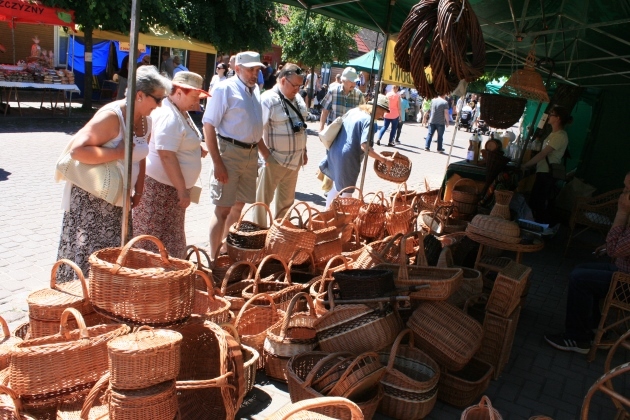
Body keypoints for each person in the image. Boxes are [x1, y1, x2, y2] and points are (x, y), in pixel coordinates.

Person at [55, 66, 171, 280]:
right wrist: (119, 152)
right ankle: (80, 299)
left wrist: (139, 189)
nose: (160, 105)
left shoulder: (147, 120)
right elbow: (78, 151)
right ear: (140, 95)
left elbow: (141, 154)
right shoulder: (112, 116)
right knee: (90, 253)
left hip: (119, 197)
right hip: (93, 198)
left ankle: (105, 299)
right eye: (157, 99)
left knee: (113, 255)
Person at [545, 174, 630, 354]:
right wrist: (610, 247)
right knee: (582, 270)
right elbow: (618, 247)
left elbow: (615, 250)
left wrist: (621, 213)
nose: (623, 194)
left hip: (626, 284)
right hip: (623, 271)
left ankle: (577, 338)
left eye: (628, 190)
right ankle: (590, 328)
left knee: (581, 279)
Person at [133, 72, 209, 259]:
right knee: (154, 244)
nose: (196, 102)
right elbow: (166, 155)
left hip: (167, 191)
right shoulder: (170, 114)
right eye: (194, 97)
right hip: (161, 191)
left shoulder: (179, 110)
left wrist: (194, 147)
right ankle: (154, 284)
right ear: (179, 93)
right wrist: (182, 190)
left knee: (166, 242)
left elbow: (178, 140)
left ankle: (164, 283)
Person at [202, 51, 265, 261]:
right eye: (250, 69)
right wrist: (217, 162)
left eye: (257, 69)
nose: (254, 73)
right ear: (237, 68)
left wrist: (264, 155)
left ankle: (225, 249)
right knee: (222, 209)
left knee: (238, 206)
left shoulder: (254, 89)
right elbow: (208, 125)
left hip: (250, 154)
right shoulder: (224, 89)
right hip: (229, 153)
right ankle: (213, 259)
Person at [253, 63, 308, 226]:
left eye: (300, 85)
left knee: (286, 204)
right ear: (283, 80)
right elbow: (255, 131)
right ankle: (259, 234)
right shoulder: (267, 99)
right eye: (295, 85)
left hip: (294, 160)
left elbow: (301, 126)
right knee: (262, 203)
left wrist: (303, 151)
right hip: (274, 160)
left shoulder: (297, 99)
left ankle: (279, 235)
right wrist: (266, 156)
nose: (298, 89)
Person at [319, 94, 394, 209]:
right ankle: (343, 220)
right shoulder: (369, 121)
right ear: (376, 108)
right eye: (383, 112)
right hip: (347, 158)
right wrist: (384, 160)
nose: (382, 116)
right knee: (347, 191)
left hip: (334, 151)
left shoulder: (354, 111)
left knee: (337, 187)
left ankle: (325, 214)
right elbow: (365, 146)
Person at [521, 105, 572, 224]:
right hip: (543, 171)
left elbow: (543, 154)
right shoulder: (553, 134)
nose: (549, 116)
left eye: (552, 114)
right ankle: (539, 225)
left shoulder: (560, 136)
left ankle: (542, 227)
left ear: (558, 118)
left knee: (538, 202)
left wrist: (526, 165)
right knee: (536, 201)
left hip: (547, 174)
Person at [319, 67, 365, 132]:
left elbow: (363, 114)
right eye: (351, 81)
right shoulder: (332, 92)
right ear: (343, 80)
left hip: (350, 132)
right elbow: (325, 111)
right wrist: (321, 128)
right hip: (333, 132)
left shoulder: (359, 94)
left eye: (355, 81)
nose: (354, 84)